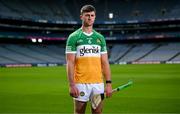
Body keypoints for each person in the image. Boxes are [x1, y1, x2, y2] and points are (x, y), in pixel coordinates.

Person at [65, 4, 112, 114]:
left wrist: (108, 83)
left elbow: (105, 62)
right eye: (87, 15)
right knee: (79, 112)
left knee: (98, 112)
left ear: (95, 17)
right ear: (81, 17)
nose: (90, 17)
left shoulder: (100, 38)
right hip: (81, 83)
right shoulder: (73, 37)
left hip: (98, 84)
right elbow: (70, 62)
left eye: (92, 15)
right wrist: (72, 85)